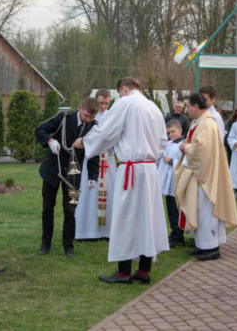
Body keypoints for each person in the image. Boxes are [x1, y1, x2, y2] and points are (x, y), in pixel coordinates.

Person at [73, 77, 169, 284]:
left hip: (131, 169)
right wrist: (149, 155)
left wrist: (86, 142)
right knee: (147, 219)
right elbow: (163, 141)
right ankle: (144, 270)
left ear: (124, 89)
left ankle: (124, 271)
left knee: (125, 218)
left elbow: (107, 130)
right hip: (150, 169)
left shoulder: (126, 103)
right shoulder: (153, 107)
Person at [174, 93, 237, 261]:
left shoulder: (208, 124)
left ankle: (211, 247)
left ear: (196, 106)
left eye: (188, 106)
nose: (187, 110)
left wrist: (186, 148)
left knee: (206, 211)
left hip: (206, 175)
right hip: (197, 173)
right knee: (198, 210)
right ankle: (201, 245)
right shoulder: (199, 122)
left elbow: (203, 151)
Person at [35, 97, 100, 258]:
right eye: (86, 116)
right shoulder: (64, 118)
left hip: (73, 174)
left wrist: (93, 176)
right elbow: (40, 129)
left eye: (92, 118)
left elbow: (94, 152)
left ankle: (68, 246)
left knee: (70, 210)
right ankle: (45, 243)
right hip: (52, 169)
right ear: (80, 108)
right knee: (48, 207)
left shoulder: (93, 127)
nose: (88, 120)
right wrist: (49, 141)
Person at [75, 89, 116, 240]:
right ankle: (87, 230)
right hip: (91, 159)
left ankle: (107, 231)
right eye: (100, 103)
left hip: (108, 160)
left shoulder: (113, 116)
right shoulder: (90, 116)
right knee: (89, 194)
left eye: (106, 103)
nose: (103, 106)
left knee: (110, 195)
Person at [157, 120, 185, 248]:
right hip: (167, 182)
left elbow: (185, 163)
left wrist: (170, 161)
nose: (171, 134)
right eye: (168, 133)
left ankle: (179, 236)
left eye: (173, 131)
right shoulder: (167, 144)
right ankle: (173, 232)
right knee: (170, 210)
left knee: (176, 210)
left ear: (180, 130)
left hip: (177, 182)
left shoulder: (184, 145)